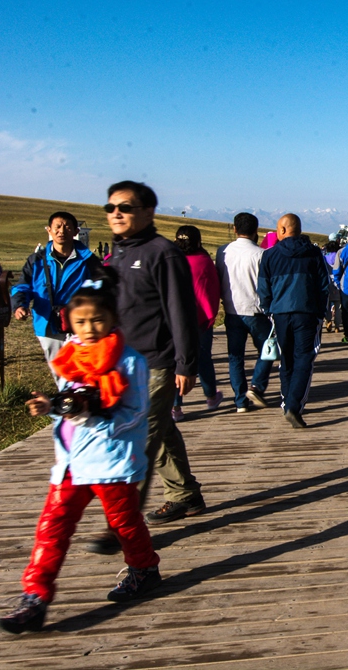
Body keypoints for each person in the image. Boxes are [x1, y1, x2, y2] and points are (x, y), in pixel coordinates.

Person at [0, 276, 161, 635]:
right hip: (72, 461)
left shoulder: (129, 362)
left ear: (113, 317)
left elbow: (135, 413)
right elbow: (68, 403)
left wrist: (92, 411)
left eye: (97, 320)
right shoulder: (71, 357)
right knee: (52, 527)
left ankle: (144, 568)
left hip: (111, 462)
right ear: (69, 321)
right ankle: (34, 597)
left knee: (124, 523)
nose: (89, 328)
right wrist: (52, 406)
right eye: (80, 321)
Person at [101, 180, 204, 535]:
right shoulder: (118, 253)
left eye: (125, 207)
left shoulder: (163, 253)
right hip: (123, 362)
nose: (116, 214)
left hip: (157, 361)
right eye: (110, 208)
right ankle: (185, 494)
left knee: (140, 438)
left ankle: (121, 526)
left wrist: (186, 364)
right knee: (161, 431)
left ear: (148, 212)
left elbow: (181, 312)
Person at [10, 212, 103, 389]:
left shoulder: (89, 261)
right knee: (60, 372)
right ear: (49, 230)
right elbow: (22, 286)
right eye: (57, 227)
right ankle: (68, 401)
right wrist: (20, 306)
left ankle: (81, 401)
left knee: (84, 370)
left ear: (75, 231)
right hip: (47, 324)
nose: (62, 231)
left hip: (80, 325)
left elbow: (102, 288)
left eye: (67, 227)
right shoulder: (37, 260)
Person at [258, 214, 330, 429]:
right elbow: (323, 285)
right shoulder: (314, 253)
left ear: (281, 230)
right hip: (307, 312)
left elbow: (263, 287)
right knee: (304, 358)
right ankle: (294, 405)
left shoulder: (270, 255)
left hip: (280, 313)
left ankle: (286, 401)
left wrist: (269, 309)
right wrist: (321, 313)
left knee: (286, 359)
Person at [217, 213, 274, 412]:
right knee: (267, 350)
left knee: (235, 357)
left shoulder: (223, 251)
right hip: (256, 311)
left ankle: (240, 401)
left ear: (234, 229)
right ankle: (257, 385)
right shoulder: (262, 254)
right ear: (255, 231)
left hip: (232, 310)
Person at [172, 226, 222, 421]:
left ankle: (176, 406)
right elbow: (212, 288)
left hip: (174, 320)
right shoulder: (204, 261)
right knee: (203, 359)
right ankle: (210, 396)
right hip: (199, 320)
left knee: (176, 362)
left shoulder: (171, 260)